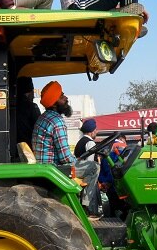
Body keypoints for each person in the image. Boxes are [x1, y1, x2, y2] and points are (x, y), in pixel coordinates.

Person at [32, 81, 100, 218]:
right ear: (54, 102)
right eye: (62, 96)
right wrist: (77, 160)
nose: (66, 98)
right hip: (54, 168)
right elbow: (65, 158)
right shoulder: (57, 121)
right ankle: (85, 207)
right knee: (94, 167)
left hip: (45, 165)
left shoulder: (43, 118)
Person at [16, 76, 42, 148]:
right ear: (30, 92)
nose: (33, 96)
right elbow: (40, 129)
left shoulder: (10, 106)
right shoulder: (31, 107)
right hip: (28, 150)